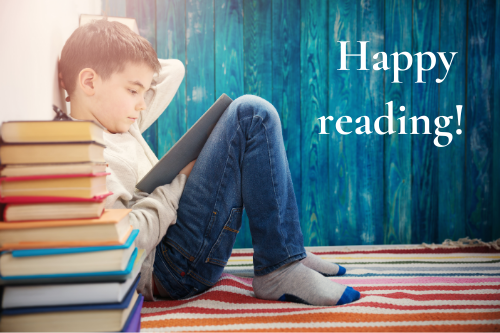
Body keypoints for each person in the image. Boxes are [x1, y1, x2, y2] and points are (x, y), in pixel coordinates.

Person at [59, 18, 360, 306]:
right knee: (251, 114)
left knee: (251, 113)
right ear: (89, 81)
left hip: (175, 248)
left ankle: (285, 252)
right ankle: (278, 270)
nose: (141, 103)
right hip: (165, 269)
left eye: (143, 91)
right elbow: (127, 238)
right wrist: (179, 182)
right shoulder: (87, 151)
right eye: (133, 90)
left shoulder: (119, 120)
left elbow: (172, 70)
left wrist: (118, 48)